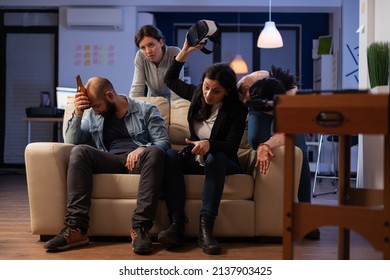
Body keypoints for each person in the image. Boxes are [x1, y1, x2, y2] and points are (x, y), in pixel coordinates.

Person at [43, 76, 170, 255]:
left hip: (140, 161)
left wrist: (143, 148)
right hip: (111, 160)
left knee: (155, 152)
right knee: (79, 151)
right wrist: (79, 113)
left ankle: (140, 229)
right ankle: (77, 229)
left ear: (110, 96)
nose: (94, 111)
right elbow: (71, 141)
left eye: (96, 105)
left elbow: (163, 142)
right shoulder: (93, 115)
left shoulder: (147, 110)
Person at [157, 38, 248, 255]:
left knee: (215, 157)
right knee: (170, 156)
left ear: (226, 91)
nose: (208, 95)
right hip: (197, 160)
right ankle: (177, 224)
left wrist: (209, 145)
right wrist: (186, 50)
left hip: (223, 162)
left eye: (215, 91)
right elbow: (169, 78)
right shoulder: (198, 95)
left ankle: (205, 229)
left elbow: (231, 147)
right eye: (206, 87)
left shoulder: (236, 109)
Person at [243, 68, 320, 240]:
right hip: (261, 100)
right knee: (256, 138)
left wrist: (268, 144)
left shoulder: (291, 97)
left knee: (299, 152)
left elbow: (286, 133)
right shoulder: (252, 85)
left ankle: (306, 215)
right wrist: (261, 145)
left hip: (280, 104)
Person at [129, 24, 183, 100]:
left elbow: (177, 89)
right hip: (152, 99)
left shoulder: (175, 53)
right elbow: (137, 89)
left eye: (151, 45)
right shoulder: (140, 56)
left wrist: (175, 109)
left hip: (173, 98)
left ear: (161, 42)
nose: (148, 51)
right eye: (143, 48)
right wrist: (132, 108)